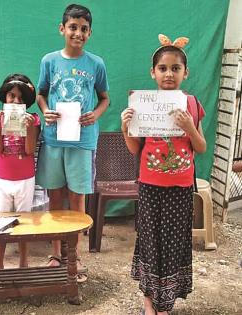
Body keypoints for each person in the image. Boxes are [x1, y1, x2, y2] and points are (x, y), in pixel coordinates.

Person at [121, 34, 207, 315]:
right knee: (149, 241)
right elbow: (135, 149)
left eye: (175, 68)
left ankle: (165, 304)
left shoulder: (192, 104)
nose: (169, 74)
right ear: (153, 72)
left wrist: (189, 127)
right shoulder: (144, 105)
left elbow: (201, 147)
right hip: (150, 185)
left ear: (185, 72)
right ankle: (148, 301)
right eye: (163, 68)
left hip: (180, 187)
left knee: (172, 243)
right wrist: (126, 127)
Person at [35, 3, 110, 282]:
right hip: (54, 138)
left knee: (78, 196)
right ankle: (56, 253)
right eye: (73, 27)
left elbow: (105, 98)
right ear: (62, 29)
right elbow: (41, 94)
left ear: (89, 33)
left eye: (83, 29)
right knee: (54, 195)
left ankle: (74, 254)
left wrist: (95, 114)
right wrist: (45, 110)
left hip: (83, 140)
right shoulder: (49, 61)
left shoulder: (96, 64)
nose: (77, 33)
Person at [0, 73, 40, 269]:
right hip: (2, 178)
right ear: (5, 97)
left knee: (24, 222)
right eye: (12, 96)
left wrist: (28, 128)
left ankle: (23, 263)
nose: (16, 101)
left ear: (26, 101)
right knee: (1, 221)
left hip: (25, 178)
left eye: (21, 98)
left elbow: (29, 150)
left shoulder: (33, 119)